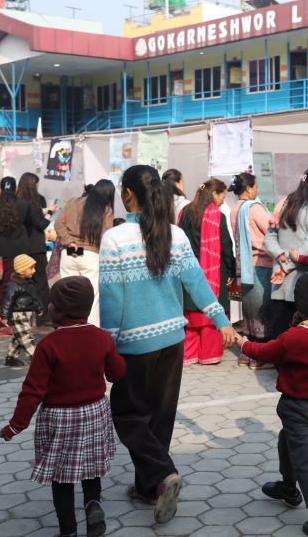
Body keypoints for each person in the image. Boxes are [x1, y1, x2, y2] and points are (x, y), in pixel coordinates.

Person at [100, 164, 238, 524]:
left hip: (134, 345)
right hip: (172, 341)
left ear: (128, 194)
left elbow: (112, 300)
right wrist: (222, 321)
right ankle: (149, 488)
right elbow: (197, 282)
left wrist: (106, 347)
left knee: (128, 416)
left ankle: (163, 473)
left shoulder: (115, 238)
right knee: (160, 417)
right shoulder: (174, 234)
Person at [0, 276, 126, 537]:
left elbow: (32, 390)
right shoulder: (101, 338)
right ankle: (93, 504)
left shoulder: (49, 345)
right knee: (91, 469)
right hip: (95, 412)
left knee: (61, 477)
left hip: (60, 418)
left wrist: (15, 425)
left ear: (57, 310)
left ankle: (68, 530)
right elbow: (117, 374)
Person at [239, 272, 308, 537]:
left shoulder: (295, 338)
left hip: (298, 406)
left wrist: (243, 344)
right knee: (287, 442)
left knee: (306, 459)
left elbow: (267, 351)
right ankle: (288, 487)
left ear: (299, 303)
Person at [178, 178, 236, 366]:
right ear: (213, 193)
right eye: (222, 196)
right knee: (212, 304)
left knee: (191, 311)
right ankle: (208, 354)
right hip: (213, 270)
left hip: (188, 268)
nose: (222, 201)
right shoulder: (217, 216)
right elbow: (226, 247)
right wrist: (231, 271)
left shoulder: (185, 212)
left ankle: (190, 353)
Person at [265, 168, 308, 340]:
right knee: (299, 335)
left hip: (278, 280)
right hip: (300, 282)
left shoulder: (285, 205)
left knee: (279, 332)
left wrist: (279, 256)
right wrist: (286, 267)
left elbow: (269, 237)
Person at [0, 177, 47, 335]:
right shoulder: (24, 204)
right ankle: (14, 319)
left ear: (0, 188)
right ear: (16, 188)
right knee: (17, 284)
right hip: (19, 251)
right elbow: (34, 223)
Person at [228, 172, 275, 365]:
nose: (257, 190)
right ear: (248, 189)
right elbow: (271, 230)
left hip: (244, 266)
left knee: (248, 311)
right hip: (260, 264)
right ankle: (259, 356)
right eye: (255, 186)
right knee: (262, 311)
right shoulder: (254, 208)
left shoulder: (235, 208)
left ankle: (246, 353)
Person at [54, 179, 115, 326]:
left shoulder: (73, 202)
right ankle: (90, 330)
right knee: (91, 297)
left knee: (68, 296)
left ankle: (68, 328)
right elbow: (106, 236)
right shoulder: (106, 209)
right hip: (91, 256)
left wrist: (69, 241)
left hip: (69, 254)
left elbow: (58, 224)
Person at [17, 172, 56, 306]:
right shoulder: (36, 200)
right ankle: (43, 312)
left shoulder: (17, 201)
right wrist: (50, 213)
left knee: (24, 280)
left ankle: (26, 308)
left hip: (20, 246)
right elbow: (40, 224)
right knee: (41, 280)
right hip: (36, 246)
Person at [1, 255, 42, 368]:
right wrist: (4, 316)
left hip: (29, 314)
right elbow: (7, 301)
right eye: (31, 268)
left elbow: (34, 297)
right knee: (26, 337)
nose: (34, 271)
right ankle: (37, 358)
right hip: (18, 315)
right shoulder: (12, 285)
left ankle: (11, 358)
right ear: (21, 270)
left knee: (18, 337)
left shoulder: (29, 283)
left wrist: (39, 307)